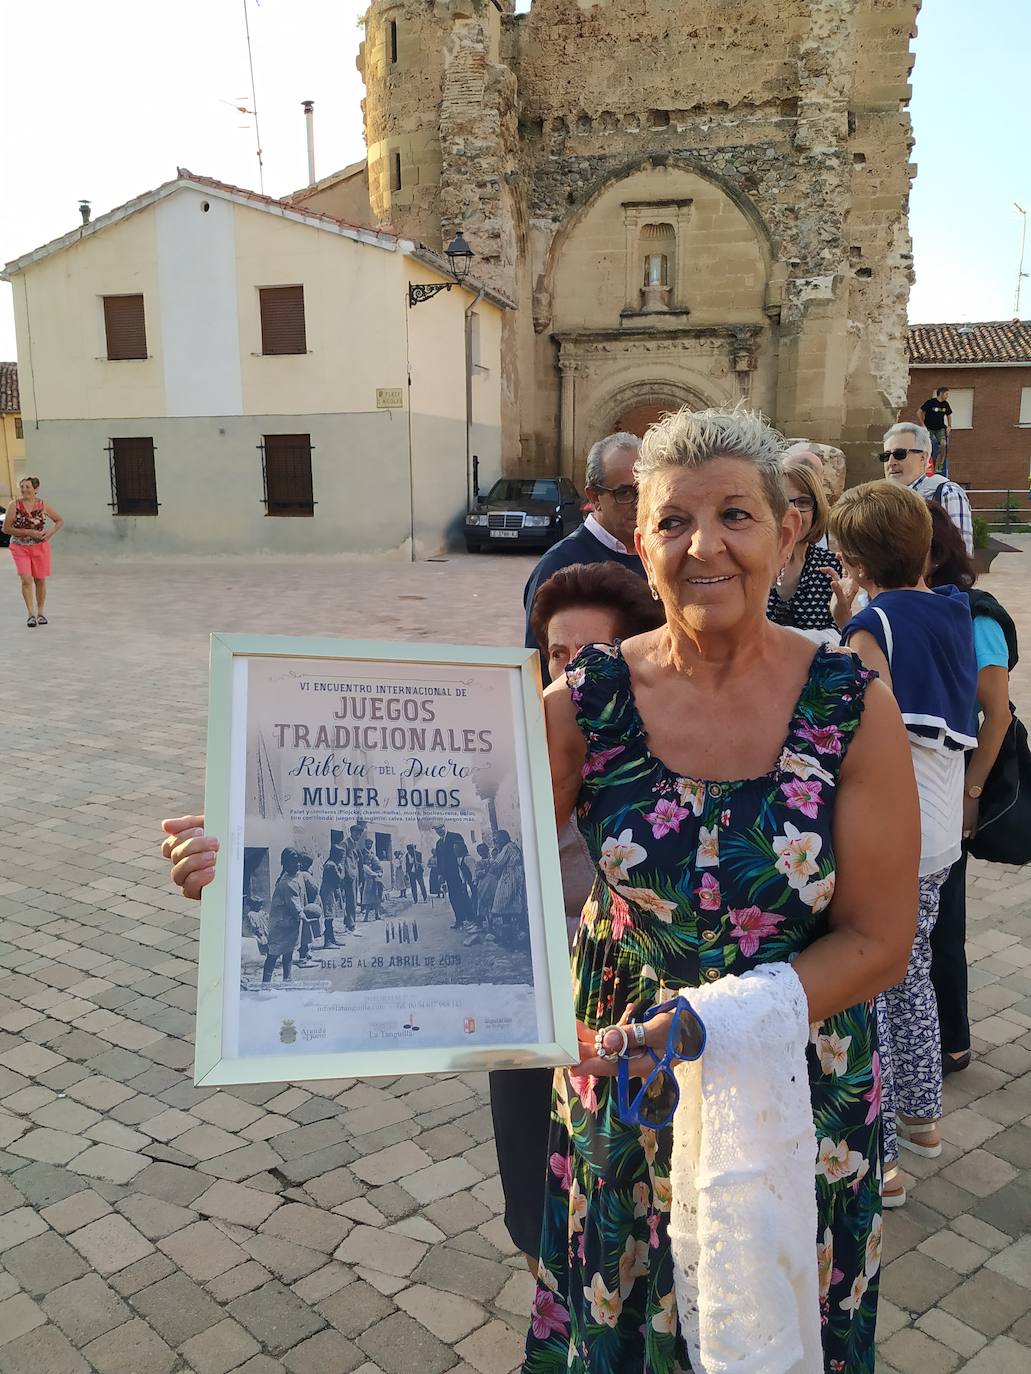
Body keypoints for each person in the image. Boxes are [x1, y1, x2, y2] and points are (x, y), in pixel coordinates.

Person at [526, 407, 918, 1373]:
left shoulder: (849, 707)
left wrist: (719, 1021)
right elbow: (454, 856)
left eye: (735, 516)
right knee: (628, 1320)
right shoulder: (586, 700)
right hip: (628, 1082)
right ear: (638, 540)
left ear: (787, 531)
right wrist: (256, 860)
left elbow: (877, 940)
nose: (705, 546)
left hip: (801, 1087)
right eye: (672, 522)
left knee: (783, 1324)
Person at [491, 561, 666, 1272]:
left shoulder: (667, 772)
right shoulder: (515, 753)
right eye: (556, 657)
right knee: (535, 1213)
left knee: (624, 1228)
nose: (568, 678)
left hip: (628, 1027)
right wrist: (243, 859)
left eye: (589, 658)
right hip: (526, 1015)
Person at [832, 482, 977, 1206]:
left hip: (893, 832)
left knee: (869, 988)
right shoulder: (954, 607)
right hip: (940, 828)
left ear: (854, 559)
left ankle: (880, 1158)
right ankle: (922, 1121)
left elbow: (864, 728)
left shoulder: (873, 626)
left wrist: (846, 632)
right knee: (910, 972)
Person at [924, 505, 1017, 1078]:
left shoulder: (974, 615)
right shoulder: (908, 607)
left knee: (945, 920)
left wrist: (972, 791)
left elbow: (996, 716)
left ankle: (952, 1040)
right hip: (933, 783)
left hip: (955, 781)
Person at [522, 433, 645, 677]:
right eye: (625, 493)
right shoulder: (559, 565)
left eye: (647, 489)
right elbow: (541, 672)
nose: (640, 503)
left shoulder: (659, 554)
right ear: (594, 497)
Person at [765, 460, 841, 632]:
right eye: (782, 502)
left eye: (803, 502)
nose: (793, 512)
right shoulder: (749, 562)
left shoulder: (831, 567)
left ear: (817, 510)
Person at [879, 421, 973, 554]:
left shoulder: (946, 493)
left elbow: (961, 556)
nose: (891, 462)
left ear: (923, 457)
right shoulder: (880, 499)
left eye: (900, 454)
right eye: (886, 456)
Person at [2, 476, 64, 628]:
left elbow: (59, 520)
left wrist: (48, 534)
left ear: (36, 489)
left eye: (28, 487)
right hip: (19, 547)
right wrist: (28, 532)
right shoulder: (14, 505)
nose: (24, 490)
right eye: (22, 487)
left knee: (40, 580)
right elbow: (6, 528)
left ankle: (40, 613)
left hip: (40, 548)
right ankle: (30, 614)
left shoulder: (43, 505)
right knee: (26, 579)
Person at [263, 849, 307, 988]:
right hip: (280, 924)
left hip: (290, 923)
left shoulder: (296, 876)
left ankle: (287, 980)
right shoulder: (287, 883)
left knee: (288, 951)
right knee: (273, 954)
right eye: (294, 862)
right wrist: (303, 915)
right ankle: (265, 985)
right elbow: (294, 905)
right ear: (286, 864)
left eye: (299, 862)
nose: (298, 864)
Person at [433, 824, 474, 928]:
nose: (438, 831)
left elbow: (463, 851)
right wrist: (440, 874)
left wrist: (463, 869)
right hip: (448, 874)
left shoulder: (455, 836)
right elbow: (439, 860)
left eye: (439, 828)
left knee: (462, 895)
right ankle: (459, 920)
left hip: (458, 872)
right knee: (453, 897)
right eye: (436, 830)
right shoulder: (438, 843)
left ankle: (471, 919)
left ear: (444, 827)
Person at [919, 387, 952, 473]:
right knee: (930, 446)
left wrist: (949, 426)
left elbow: (949, 415)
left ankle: (939, 466)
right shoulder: (930, 402)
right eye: (946, 394)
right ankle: (929, 465)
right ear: (941, 393)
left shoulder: (945, 404)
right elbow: (919, 412)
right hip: (929, 428)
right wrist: (922, 424)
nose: (947, 396)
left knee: (943, 444)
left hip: (940, 428)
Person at [319, 845, 346, 948]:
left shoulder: (333, 864)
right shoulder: (331, 865)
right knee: (329, 917)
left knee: (331, 917)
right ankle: (327, 942)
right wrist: (341, 870)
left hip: (331, 890)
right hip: (328, 892)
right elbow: (339, 879)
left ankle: (332, 939)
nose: (342, 857)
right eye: (340, 855)